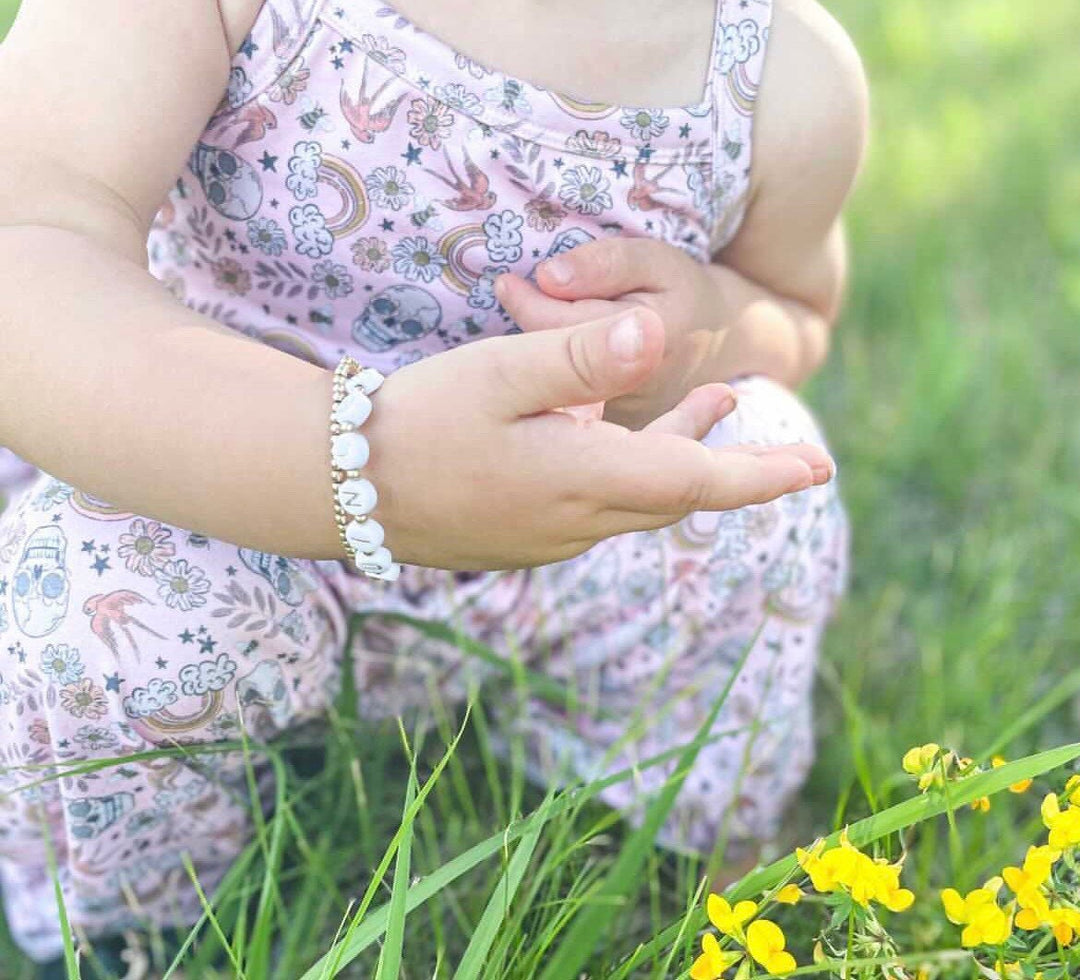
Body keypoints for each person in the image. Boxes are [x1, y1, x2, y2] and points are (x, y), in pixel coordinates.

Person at [0, 0, 866, 966]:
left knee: (763, 473)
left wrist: (701, 328)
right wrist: (372, 465)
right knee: (103, 604)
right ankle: (148, 918)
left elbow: (795, 308)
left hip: (566, 533)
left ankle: (666, 855)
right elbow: (29, 241)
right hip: (221, 501)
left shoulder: (781, 75)